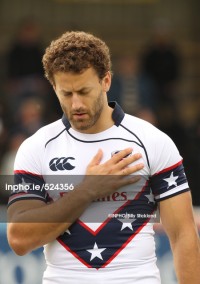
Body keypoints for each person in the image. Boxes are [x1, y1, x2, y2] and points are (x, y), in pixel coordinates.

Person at [7, 31, 200, 284]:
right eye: (66, 93)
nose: (76, 104)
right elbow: (19, 240)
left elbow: (183, 235)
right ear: (53, 87)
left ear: (106, 81)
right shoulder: (36, 147)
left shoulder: (153, 141)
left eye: (84, 91)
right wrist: (87, 189)